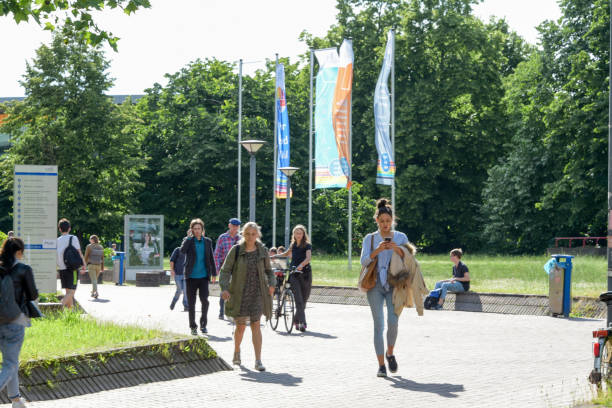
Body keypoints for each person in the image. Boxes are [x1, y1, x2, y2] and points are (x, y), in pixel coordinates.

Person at [360, 198, 408, 378]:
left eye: (388, 221)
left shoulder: (401, 237)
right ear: (377, 221)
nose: (385, 225)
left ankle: (390, 353)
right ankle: (381, 365)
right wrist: (377, 251)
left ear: (392, 221)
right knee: (378, 325)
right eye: (382, 222)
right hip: (375, 285)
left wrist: (398, 249)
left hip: (395, 284)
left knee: (393, 322)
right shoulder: (370, 238)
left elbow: (409, 259)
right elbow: (364, 261)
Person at [219, 222, 274, 372]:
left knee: (256, 324)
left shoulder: (262, 250)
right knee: (241, 327)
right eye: (247, 234)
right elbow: (225, 271)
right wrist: (224, 288)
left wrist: (272, 284)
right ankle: (237, 351)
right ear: (243, 234)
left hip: (257, 293)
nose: (250, 237)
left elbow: (269, 271)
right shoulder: (236, 250)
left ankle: (258, 360)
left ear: (257, 235)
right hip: (240, 293)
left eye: (253, 234)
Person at [0, 237, 39, 408]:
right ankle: (15, 399)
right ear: (18, 252)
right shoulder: (24, 269)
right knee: (10, 362)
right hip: (15, 320)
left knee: (10, 360)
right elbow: (32, 295)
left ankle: (16, 400)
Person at [180, 219, 216, 336]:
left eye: (198, 228)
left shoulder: (207, 241)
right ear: (191, 230)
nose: (197, 231)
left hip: (204, 276)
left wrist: (214, 273)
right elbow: (182, 251)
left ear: (202, 229)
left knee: (205, 301)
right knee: (192, 303)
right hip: (190, 277)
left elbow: (211, 258)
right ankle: (193, 326)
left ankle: (203, 325)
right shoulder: (188, 241)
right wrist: (189, 238)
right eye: (194, 229)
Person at [275, 225, 312, 332]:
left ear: (303, 234)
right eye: (296, 233)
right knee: (299, 300)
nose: (298, 235)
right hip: (294, 273)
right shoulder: (293, 245)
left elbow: (308, 258)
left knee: (304, 300)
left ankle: (296, 320)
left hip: (305, 274)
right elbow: (286, 254)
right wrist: (273, 257)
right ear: (294, 234)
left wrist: (302, 265)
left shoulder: (307, 245)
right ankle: (302, 323)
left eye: (300, 233)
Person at [213, 218, 242, 320]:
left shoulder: (241, 238)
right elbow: (216, 254)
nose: (235, 228)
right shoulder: (223, 237)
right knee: (224, 288)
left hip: (238, 268)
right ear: (229, 225)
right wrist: (216, 269)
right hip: (225, 268)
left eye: (237, 226)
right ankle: (221, 311)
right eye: (233, 225)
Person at [56, 218, 86, 309]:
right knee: (71, 293)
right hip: (72, 269)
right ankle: (57, 307)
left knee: (68, 292)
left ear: (60, 229)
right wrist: (84, 264)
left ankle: (70, 314)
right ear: (69, 228)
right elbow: (79, 252)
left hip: (62, 269)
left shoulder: (57, 240)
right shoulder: (73, 238)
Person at [169, 238, 188, 312]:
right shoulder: (177, 250)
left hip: (187, 275)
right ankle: (174, 301)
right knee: (179, 290)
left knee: (186, 291)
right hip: (178, 274)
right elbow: (172, 260)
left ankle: (186, 306)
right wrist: (172, 270)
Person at [84, 235, 104, 299]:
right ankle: (93, 292)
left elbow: (86, 257)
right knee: (95, 280)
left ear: (92, 240)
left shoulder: (89, 246)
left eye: (90, 239)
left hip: (91, 265)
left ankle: (95, 292)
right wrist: (102, 267)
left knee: (94, 280)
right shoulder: (101, 247)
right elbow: (102, 258)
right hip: (98, 265)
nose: (89, 240)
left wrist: (84, 265)